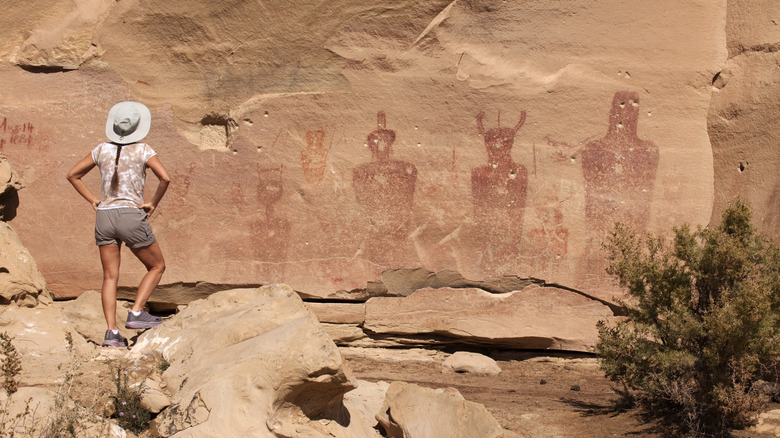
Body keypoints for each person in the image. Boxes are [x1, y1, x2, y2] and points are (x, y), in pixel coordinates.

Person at [66, 101, 171, 347]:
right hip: (129, 214)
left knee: (110, 276)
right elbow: (165, 177)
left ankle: (111, 333)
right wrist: (152, 203)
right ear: (137, 127)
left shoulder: (101, 149)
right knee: (156, 266)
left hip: (104, 216)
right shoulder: (144, 150)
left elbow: (72, 174)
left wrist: (93, 199)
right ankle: (136, 312)